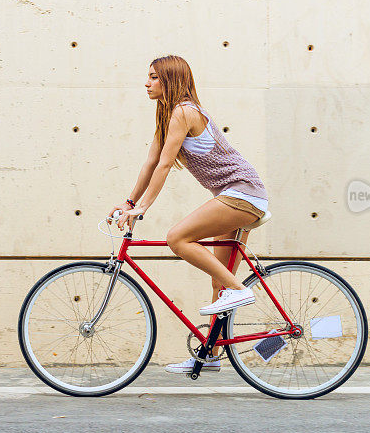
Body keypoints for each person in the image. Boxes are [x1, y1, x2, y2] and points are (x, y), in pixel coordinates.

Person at [107, 55, 269, 374]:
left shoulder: (184, 111)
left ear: (170, 80)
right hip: (236, 195)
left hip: (243, 192)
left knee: (177, 238)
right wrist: (129, 202)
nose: (147, 83)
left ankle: (240, 290)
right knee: (217, 283)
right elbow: (151, 163)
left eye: (154, 77)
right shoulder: (169, 116)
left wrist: (144, 208)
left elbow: (166, 164)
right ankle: (208, 356)